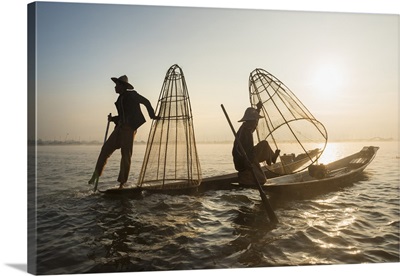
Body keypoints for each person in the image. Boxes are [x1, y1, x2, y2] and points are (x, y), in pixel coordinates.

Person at [88, 75, 159, 189]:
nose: (115, 87)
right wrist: (113, 119)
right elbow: (122, 116)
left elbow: (146, 101)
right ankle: (96, 174)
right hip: (119, 128)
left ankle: (122, 183)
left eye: (117, 85)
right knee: (105, 149)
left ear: (122, 86)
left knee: (126, 155)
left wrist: (152, 115)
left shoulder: (132, 95)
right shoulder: (120, 99)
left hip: (129, 129)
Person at [232, 102, 280, 186]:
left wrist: (258, 109)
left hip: (248, 156)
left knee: (264, 144)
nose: (255, 123)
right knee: (261, 179)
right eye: (254, 121)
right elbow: (241, 151)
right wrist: (249, 162)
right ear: (250, 121)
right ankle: (270, 159)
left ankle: (271, 158)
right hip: (243, 160)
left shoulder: (248, 127)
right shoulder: (245, 132)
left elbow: (250, 150)